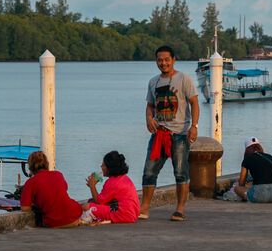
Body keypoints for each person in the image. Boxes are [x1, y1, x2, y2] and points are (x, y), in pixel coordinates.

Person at [140, 45, 200, 222]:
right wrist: (148, 119)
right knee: (149, 171)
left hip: (180, 134)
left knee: (181, 172)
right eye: (160, 60)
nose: (163, 63)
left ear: (174, 60)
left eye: (167, 59)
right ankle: (144, 207)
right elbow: (150, 105)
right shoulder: (153, 82)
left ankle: (180, 209)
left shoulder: (184, 79)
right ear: (156, 61)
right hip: (159, 134)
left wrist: (194, 126)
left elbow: (194, 103)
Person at [18, 150, 83, 228]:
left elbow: (25, 208)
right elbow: (63, 189)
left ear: (30, 167)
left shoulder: (30, 182)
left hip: (54, 222)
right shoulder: (58, 175)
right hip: (74, 217)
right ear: (46, 164)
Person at [82, 151, 140, 224]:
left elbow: (99, 201)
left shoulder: (112, 182)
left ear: (110, 168)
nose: (101, 167)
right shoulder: (124, 178)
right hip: (132, 214)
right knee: (91, 201)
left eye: (103, 165)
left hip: (122, 215)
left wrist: (92, 186)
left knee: (86, 207)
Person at [233, 137, 272, 203]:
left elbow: (241, 183)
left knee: (237, 188)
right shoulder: (270, 157)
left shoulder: (247, 159)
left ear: (247, 150)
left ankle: (248, 197)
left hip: (260, 197)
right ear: (260, 147)